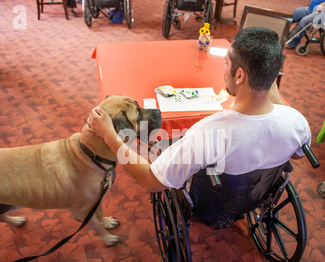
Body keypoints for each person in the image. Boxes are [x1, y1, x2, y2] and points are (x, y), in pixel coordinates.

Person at [86, 27, 311, 203]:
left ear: (240, 75)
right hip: (257, 193)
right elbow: (298, 155)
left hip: (213, 199)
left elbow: (151, 181)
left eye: (226, 63)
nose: (224, 69)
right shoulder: (297, 121)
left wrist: (110, 136)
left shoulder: (208, 132)